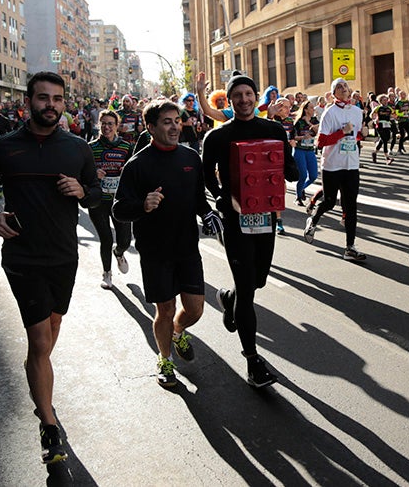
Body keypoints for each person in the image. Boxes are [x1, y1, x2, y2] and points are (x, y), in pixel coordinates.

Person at [0, 72, 102, 464]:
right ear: (28, 101)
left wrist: (82, 192)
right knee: (41, 341)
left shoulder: (78, 148)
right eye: (43, 98)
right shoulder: (6, 147)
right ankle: (48, 423)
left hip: (64, 256)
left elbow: (96, 194)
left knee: (51, 331)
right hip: (22, 257)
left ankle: (36, 371)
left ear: (65, 104)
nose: (51, 105)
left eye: (57, 99)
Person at [112, 100, 220, 388]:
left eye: (177, 120)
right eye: (167, 122)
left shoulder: (190, 157)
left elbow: (199, 198)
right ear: (151, 127)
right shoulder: (137, 165)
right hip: (155, 250)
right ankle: (165, 360)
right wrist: (142, 205)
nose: (175, 126)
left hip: (186, 246)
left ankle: (177, 331)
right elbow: (118, 209)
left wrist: (208, 213)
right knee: (166, 308)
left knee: (195, 309)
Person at [202, 73, 298, 388]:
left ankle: (227, 298)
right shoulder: (217, 137)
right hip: (235, 219)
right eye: (237, 95)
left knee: (257, 282)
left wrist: (291, 166)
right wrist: (219, 195)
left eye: (248, 94)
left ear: (255, 97)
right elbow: (207, 177)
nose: (243, 100)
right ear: (229, 100)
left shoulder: (273, 129)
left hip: (265, 217)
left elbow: (287, 166)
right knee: (248, 290)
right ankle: (253, 360)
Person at [303, 78, 368, 262]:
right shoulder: (329, 114)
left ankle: (350, 247)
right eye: (339, 87)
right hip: (332, 165)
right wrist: (343, 132)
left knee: (351, 206)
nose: (344, 89)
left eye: (345, 86)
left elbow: (354, 138)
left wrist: (361, 135)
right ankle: (313, 220)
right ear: (333, 94)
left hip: (351, 165)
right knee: (330, 202)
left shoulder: (357, 112)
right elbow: (321, 142)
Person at [88, 110, 134, 289]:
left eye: (110, 124)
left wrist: (126, 173)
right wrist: (93, 175)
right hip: (98, 200)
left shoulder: (126, 147)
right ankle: (107, 273)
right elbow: (82, 173)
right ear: (99, 124)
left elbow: (134, 171)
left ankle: (119, 252)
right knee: (105, 238)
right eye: (103, 123)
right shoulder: (90, 147)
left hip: (120, 200)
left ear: (117, 126)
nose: (106, 127)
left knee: (125, 240)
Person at [291, 98, 319, 205]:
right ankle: (298, 197)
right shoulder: (298, 122)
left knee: (313, 176)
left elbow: (317, 131)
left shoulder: (314, 120)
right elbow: (293, 137)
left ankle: (302, 188)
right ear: (306, 110)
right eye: (311, 108)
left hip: (310, 150)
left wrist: (308, 122)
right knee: (302, 175)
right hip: (300, 150)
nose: (314, 109)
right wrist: (303, 137)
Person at [371, 94, 394, 164]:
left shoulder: (389, 108)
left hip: (387, 125)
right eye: (384, 100)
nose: (386, 101)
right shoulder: (378, 108)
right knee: (384, 141)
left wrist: (392, 118)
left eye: (386, 100)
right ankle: (387, 158)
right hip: (380, 125)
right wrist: (375, 120)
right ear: (380, 101)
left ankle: (374, 153)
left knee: (385, 139)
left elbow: (393, 114)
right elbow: (371, 114)